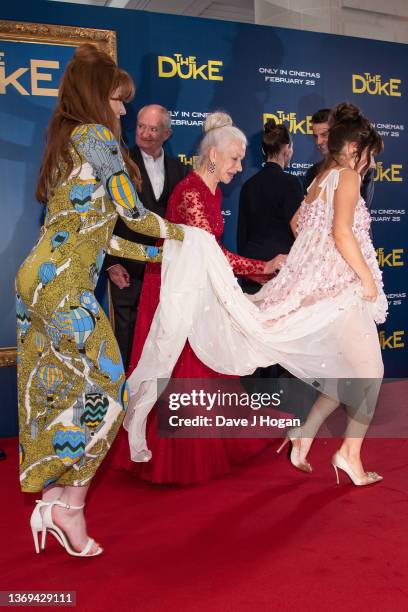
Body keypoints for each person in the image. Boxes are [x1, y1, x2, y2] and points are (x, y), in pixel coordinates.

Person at [125, 102, 387, 487]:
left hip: (310, 286)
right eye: (233, 159)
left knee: (349, 371)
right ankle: (346, 453)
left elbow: (304, 227)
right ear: (354, 150)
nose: (237, 168)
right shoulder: (344, 177)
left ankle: (309, 437)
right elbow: (340, 233)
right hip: (198, 288)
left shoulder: (317, 181)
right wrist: (360, 276)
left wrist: (311, 265)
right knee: (368, 373)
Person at [15, 44, 184, 557]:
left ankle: (53, 493)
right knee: (111, 388)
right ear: (97, 96)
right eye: (118, 99)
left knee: (57, 389)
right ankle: (70, 506)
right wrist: (185, 238)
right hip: (63, 286)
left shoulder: (68, 141)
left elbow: (105, 234)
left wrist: (162, 256)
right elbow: (132, 213)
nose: (125, 111)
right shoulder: (93, 136)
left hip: (38, 281)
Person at [115, 112, 286, 484]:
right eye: (234, 159)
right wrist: (262, 265)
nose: (240, 167)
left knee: (205, 362)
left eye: (241, 159)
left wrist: (256, 271)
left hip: (196, 285)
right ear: (213, 154)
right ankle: (172, 457)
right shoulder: (192, 193)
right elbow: (214, 254)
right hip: (175, 291)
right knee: (183, 364)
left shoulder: (212, 189)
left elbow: (211, 253)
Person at [104, 105, 186, 370]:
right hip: (126, 269)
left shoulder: (179, 170)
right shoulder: (119, 162)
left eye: (153, 129)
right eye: (141, 127)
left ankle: (154, 403)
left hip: (165, 272)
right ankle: (124, 402)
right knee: (125, 339)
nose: (146, 134)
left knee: (162, 338)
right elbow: (103, 216)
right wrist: (110, 263)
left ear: (167, 133)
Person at [304, 108, 375, 208]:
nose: (318, 142)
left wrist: (358, 174)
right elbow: (300, 219)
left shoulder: (364, 167)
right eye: (315, 136)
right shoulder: (313, 172)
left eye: (324, 135)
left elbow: (362, 209)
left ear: (337, 133)